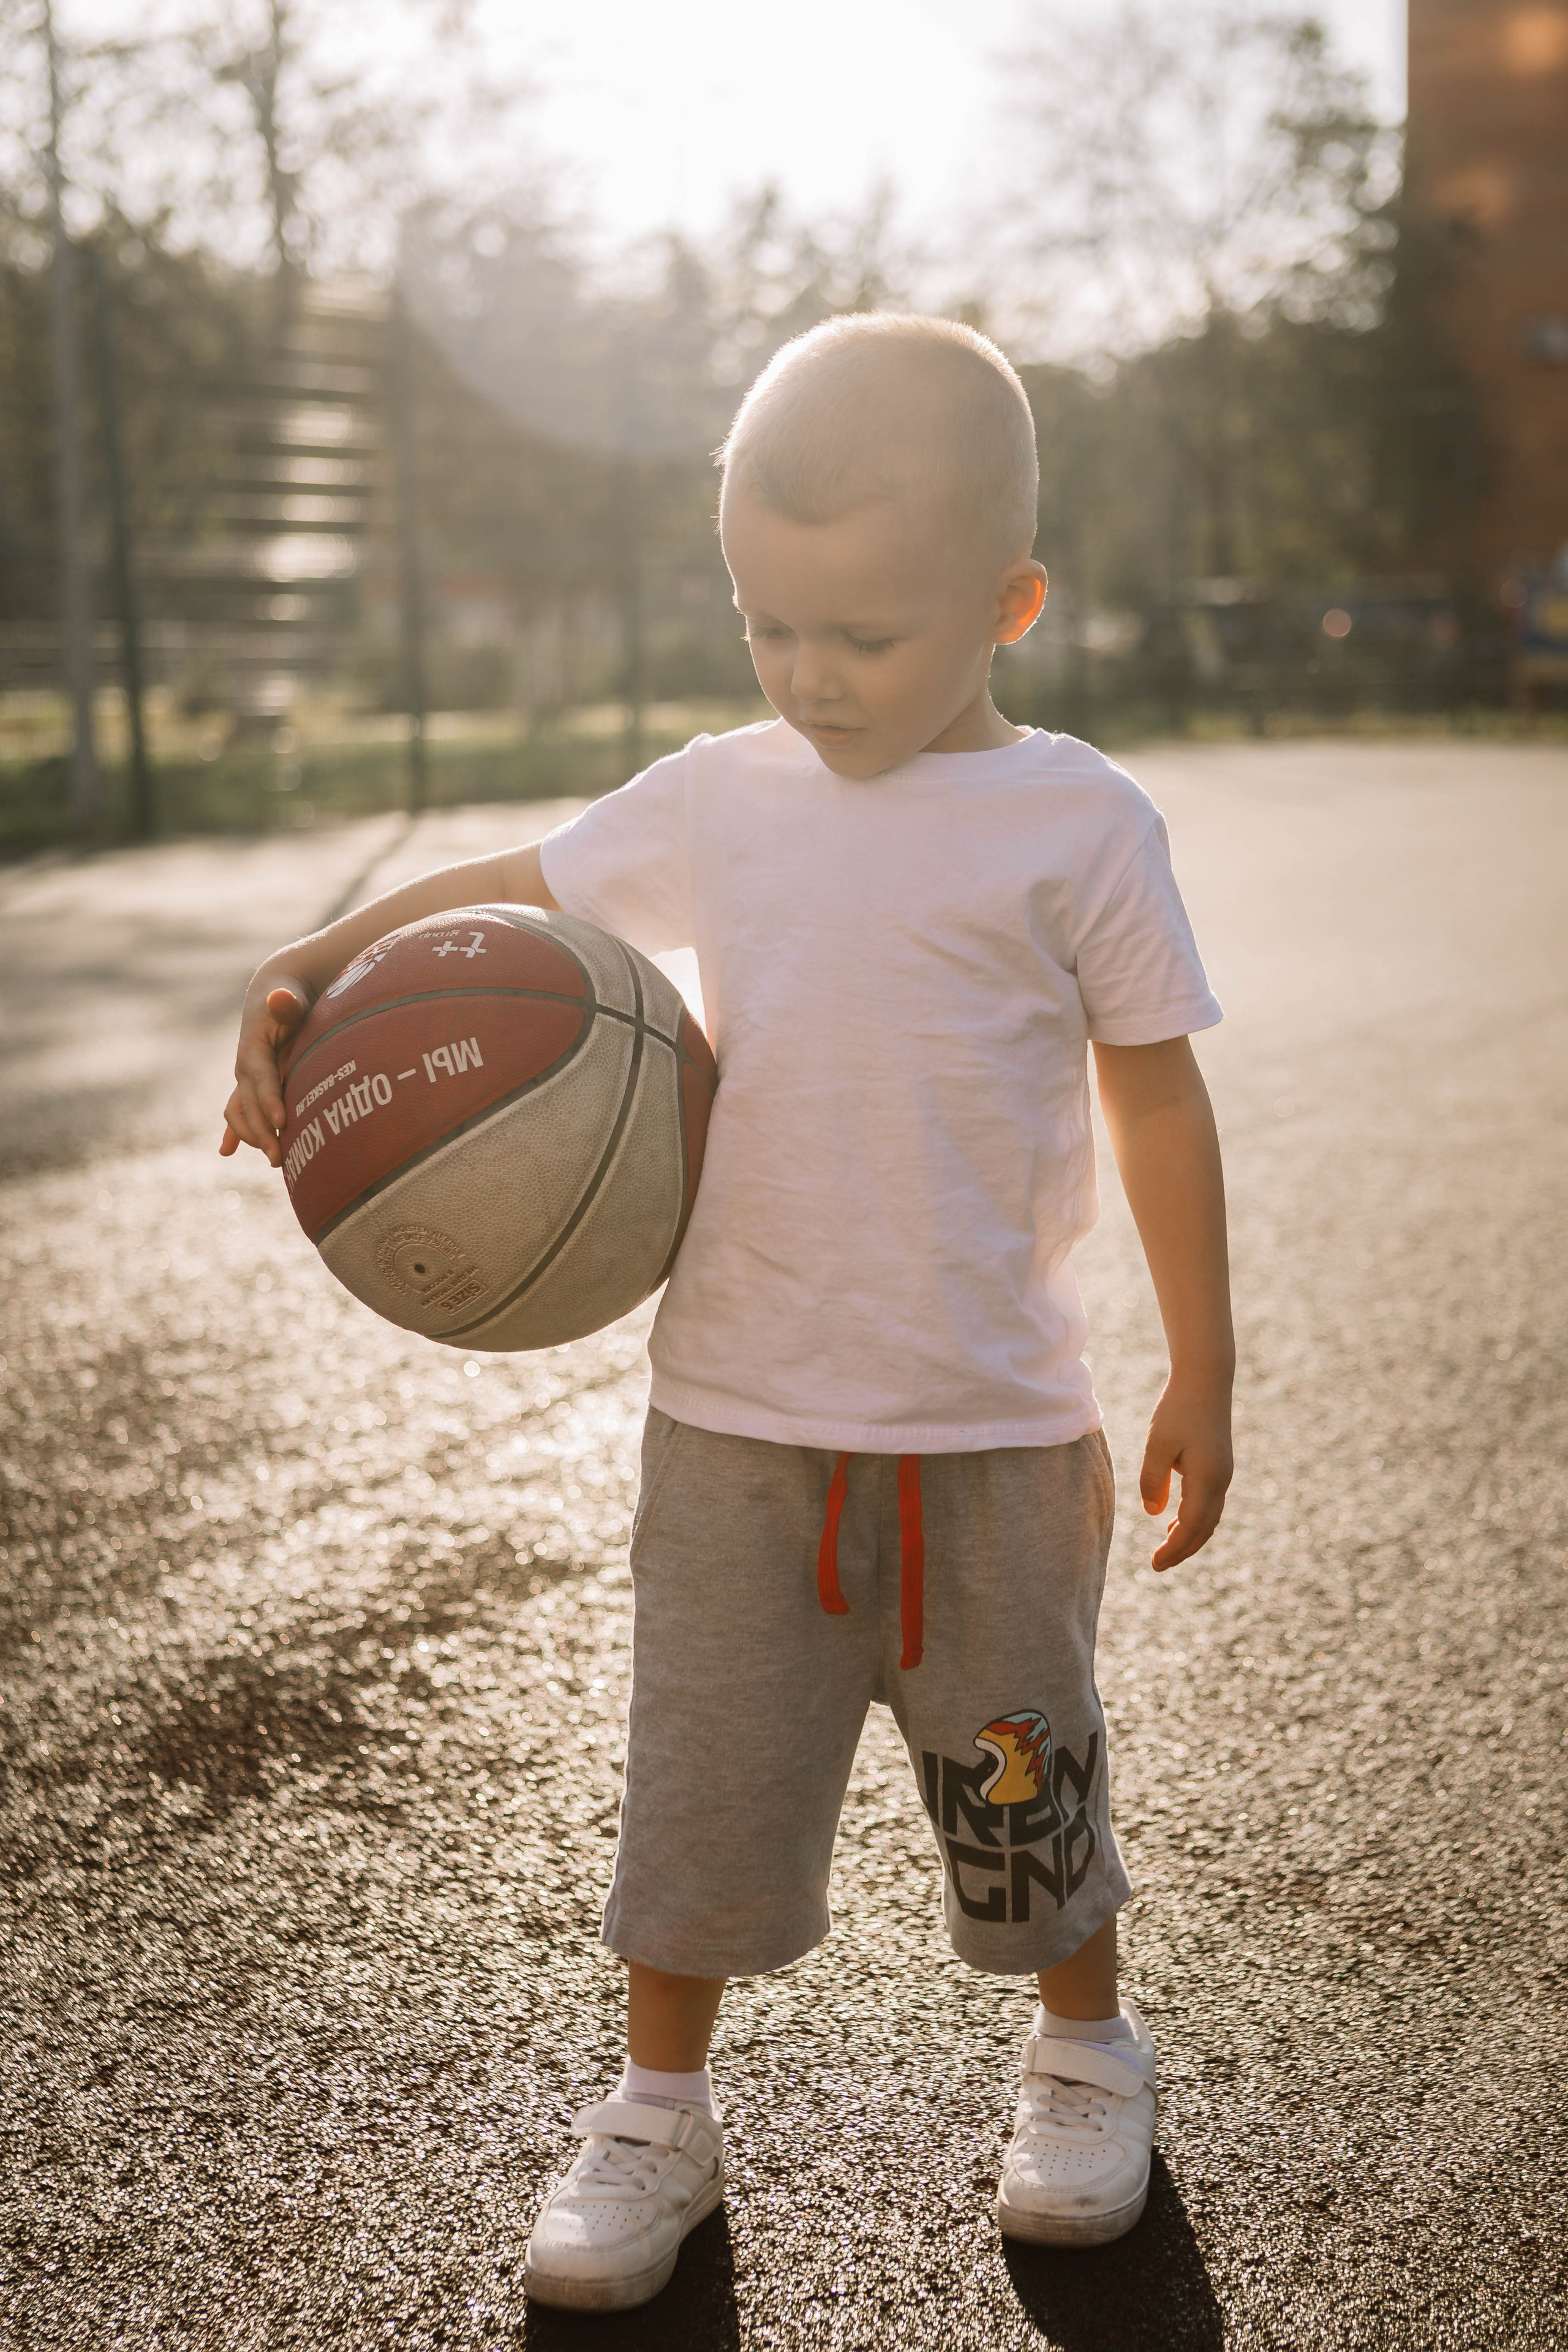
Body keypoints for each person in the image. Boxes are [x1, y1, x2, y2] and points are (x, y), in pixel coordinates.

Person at [222, 314, 1234, 2314]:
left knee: (1028, 1782)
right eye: (770, 622)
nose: (808, 673)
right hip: (738, 1425)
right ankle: (654, 2113)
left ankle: (1083, 2058)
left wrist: (1206, 1356)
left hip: (993, 1431)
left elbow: (1156, 1089)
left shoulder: (1080, 826)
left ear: (1009, 602)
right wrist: (315, 966)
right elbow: (517, 886)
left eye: (862, 632)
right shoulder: (727, 794)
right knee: (693, 1796)